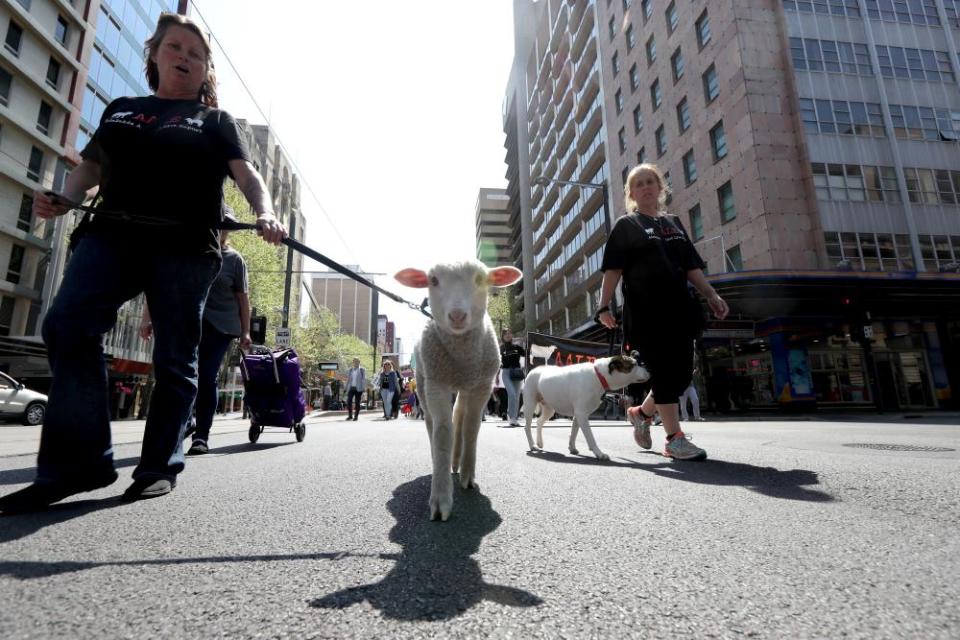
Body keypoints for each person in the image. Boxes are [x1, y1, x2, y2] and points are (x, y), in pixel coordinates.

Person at [0, 13, 286, 513]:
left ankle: (158, 466)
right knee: (66, 326)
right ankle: (77, 465)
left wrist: (264, 212)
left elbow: (249, 176)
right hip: (111, 234)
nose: (184, 57)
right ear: (155, 55)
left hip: (186, 247)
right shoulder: (123, 110)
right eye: (175, 48)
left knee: (176, 357)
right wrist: (66, 198)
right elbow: (90, 168)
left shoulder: (215, 122)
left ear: (204, 72)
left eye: (195, 54)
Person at [596, 163, 728, 460]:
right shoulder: (627, 225)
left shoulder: (675, 223)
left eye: (649, 181)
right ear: (631, 192)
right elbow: (613, 269)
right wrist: (603, 306)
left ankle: (641, 414)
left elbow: (692, 266)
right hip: (646, 311)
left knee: (681, 376)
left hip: (681, 308)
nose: (645, 187)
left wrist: (711, 294)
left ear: (660, 187)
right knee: (664, 371)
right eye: (638, 184)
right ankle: (674, 438)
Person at [139, 209, 252, 456]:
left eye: (224, 226)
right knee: (182, 372)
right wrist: (148, 318)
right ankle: (185, 422)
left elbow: (243, 300)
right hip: (189, 320)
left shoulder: (235, 260)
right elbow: (160, 284)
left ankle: (201, 435)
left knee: (207, 375)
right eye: (216, 224)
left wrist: (246, 331)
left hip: (221, 327)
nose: (219, 230)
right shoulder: (189, 249)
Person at [499, 329, 525, 427]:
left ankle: (514, 418)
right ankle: (511, 417)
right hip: (506, 373)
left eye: (509, 333)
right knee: (512, 394)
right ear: (502, 336)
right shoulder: (501, 348)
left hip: (517, 373)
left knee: (516, 396)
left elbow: (527, 353)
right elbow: (496, 360)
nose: (508, 335)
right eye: (505, 334)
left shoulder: (517, 347)